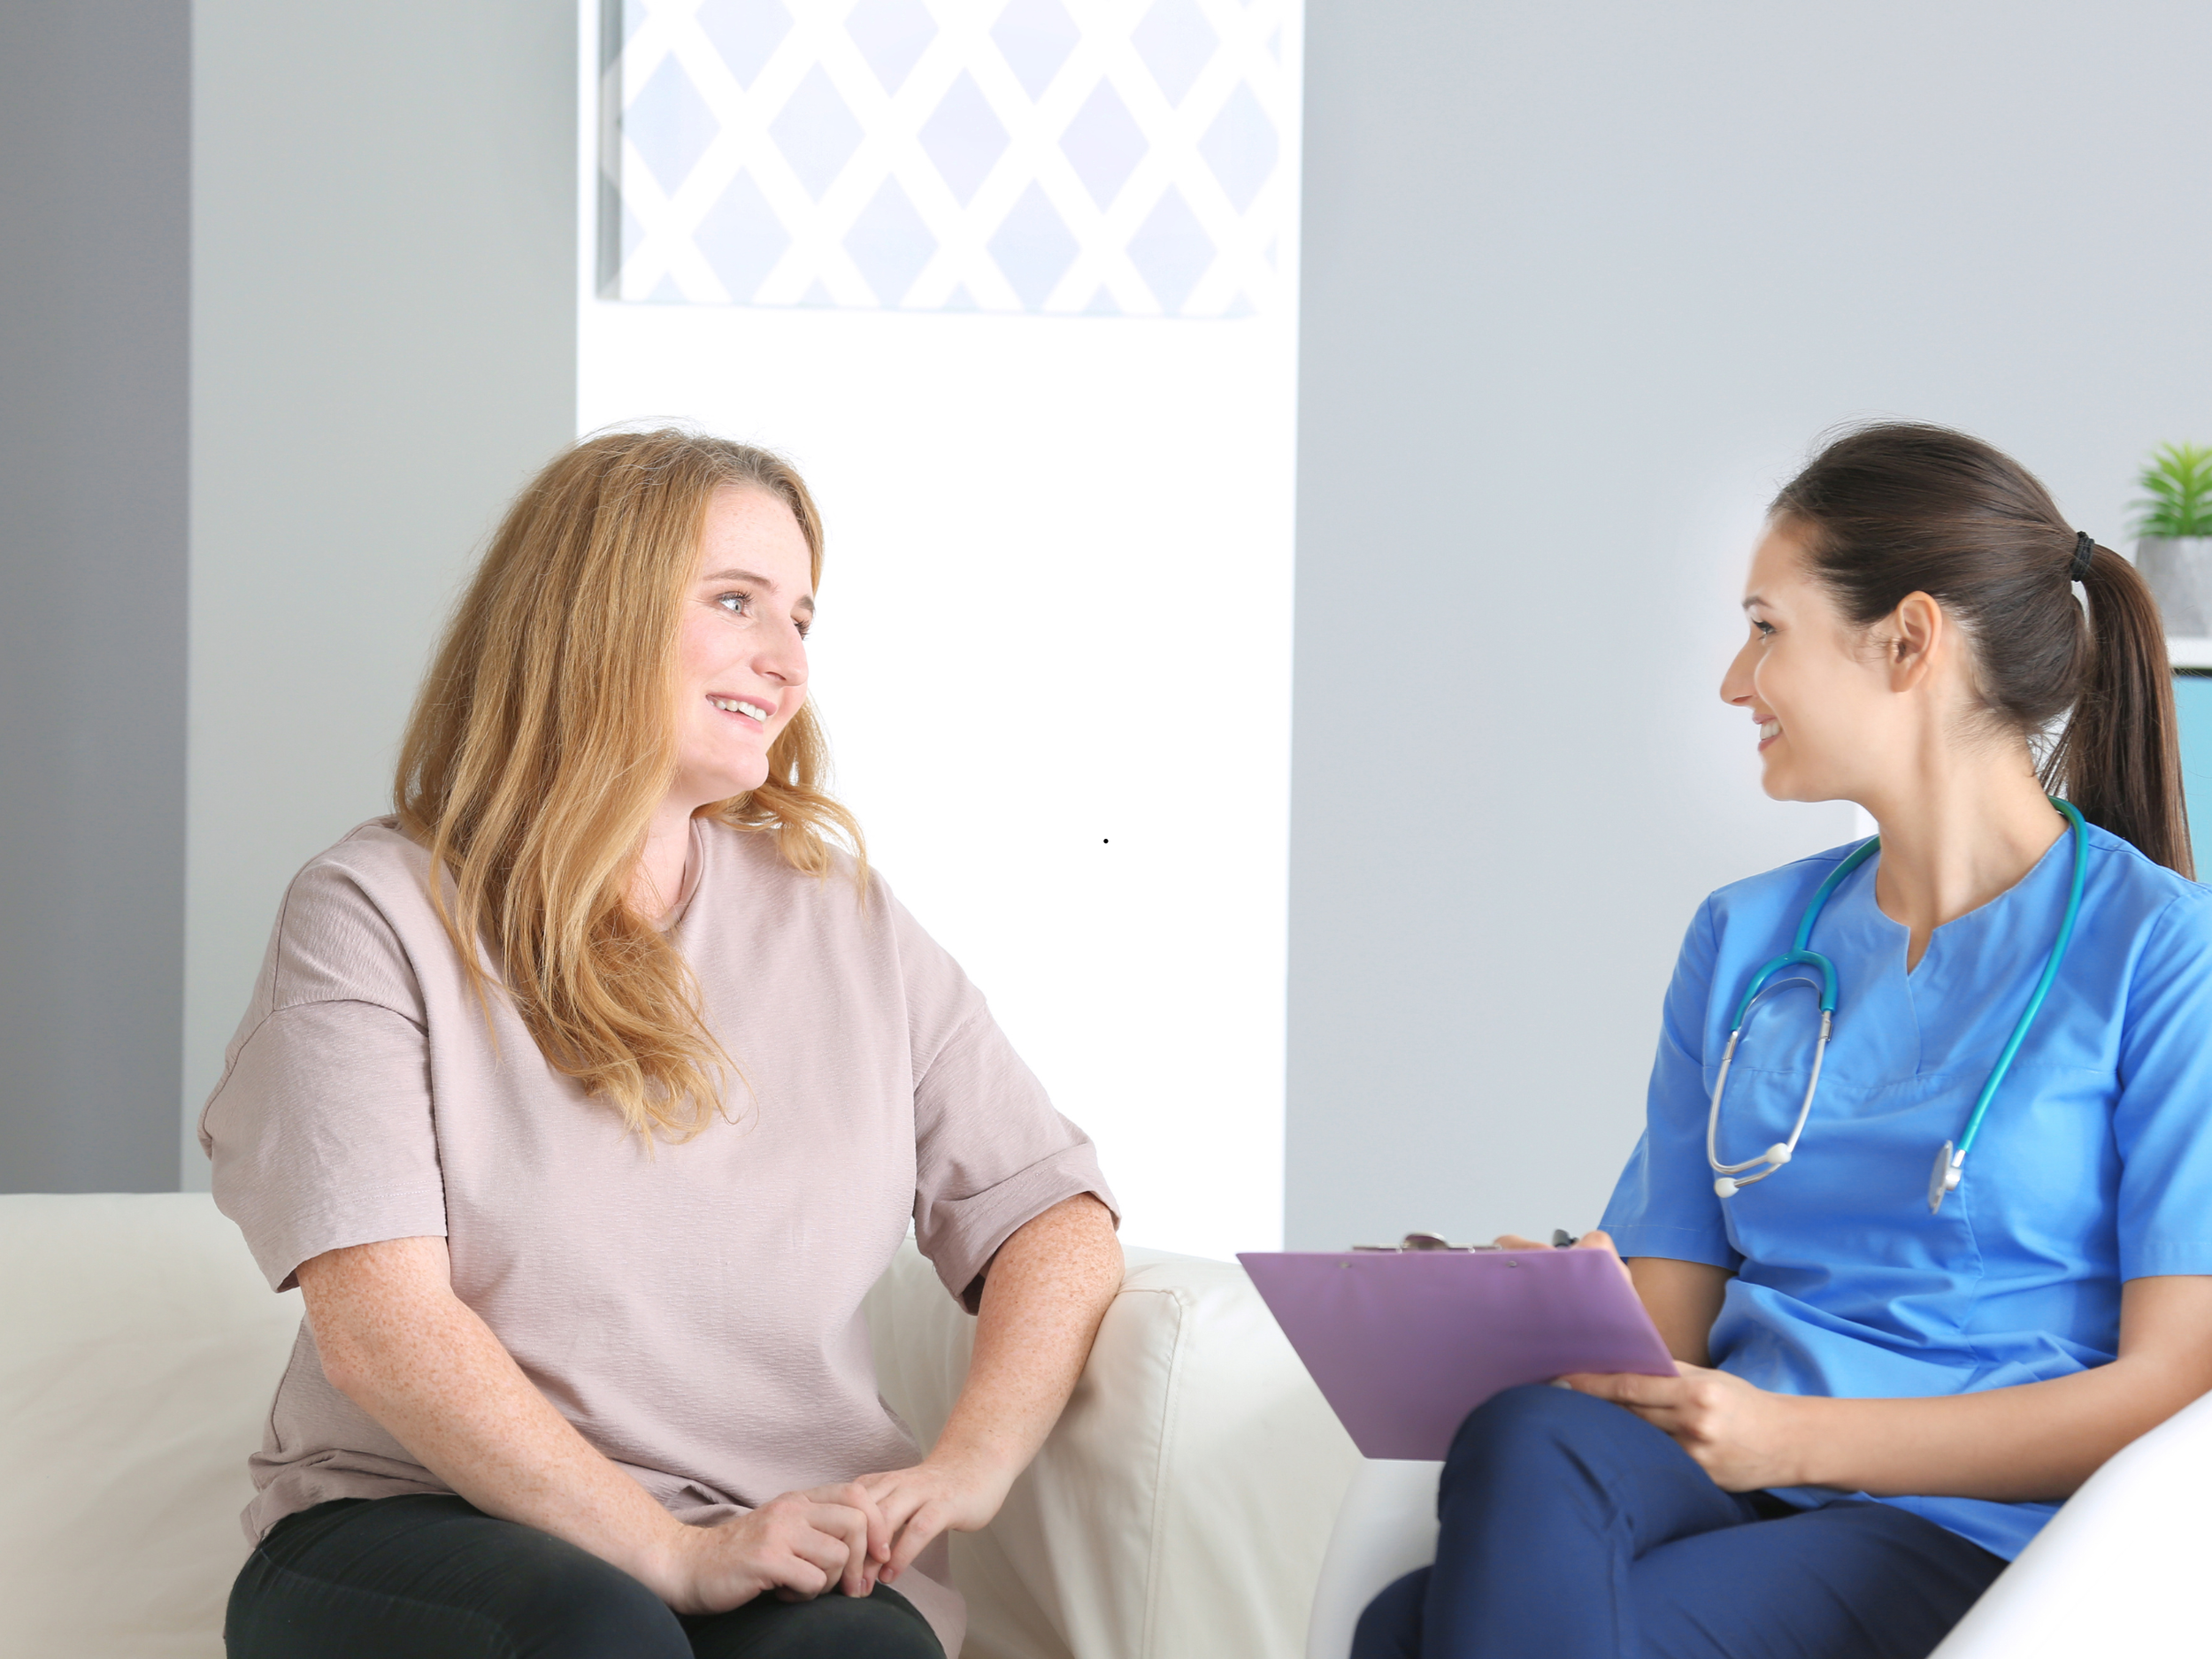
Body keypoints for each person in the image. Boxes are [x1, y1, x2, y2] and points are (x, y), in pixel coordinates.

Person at [201, 428, 1125, 1659]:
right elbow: (381, 1330)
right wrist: (668, 1554)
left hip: (762, 1532)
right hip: (412, 1525)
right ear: (591, 614)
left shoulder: (843, 921)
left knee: (862, 1656)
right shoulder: (372, 912)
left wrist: (973, 1461)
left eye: (802, 617)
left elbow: (1050, 1215)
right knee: (599, 1631)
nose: (787, 659)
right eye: (737, 601)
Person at [1356, 424, 2212, 1659]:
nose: (1733, 681)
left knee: (1408, 1630)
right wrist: (1557, 1309)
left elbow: (2176, 1385)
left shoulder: (2162, 952)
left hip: (1975, 1529)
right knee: (1527, 1435)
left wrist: (1795, 1438)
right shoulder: (1745, 938)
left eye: (1766, 628)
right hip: (1734, 1467)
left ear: (1908, 641)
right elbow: (1668, 1328)